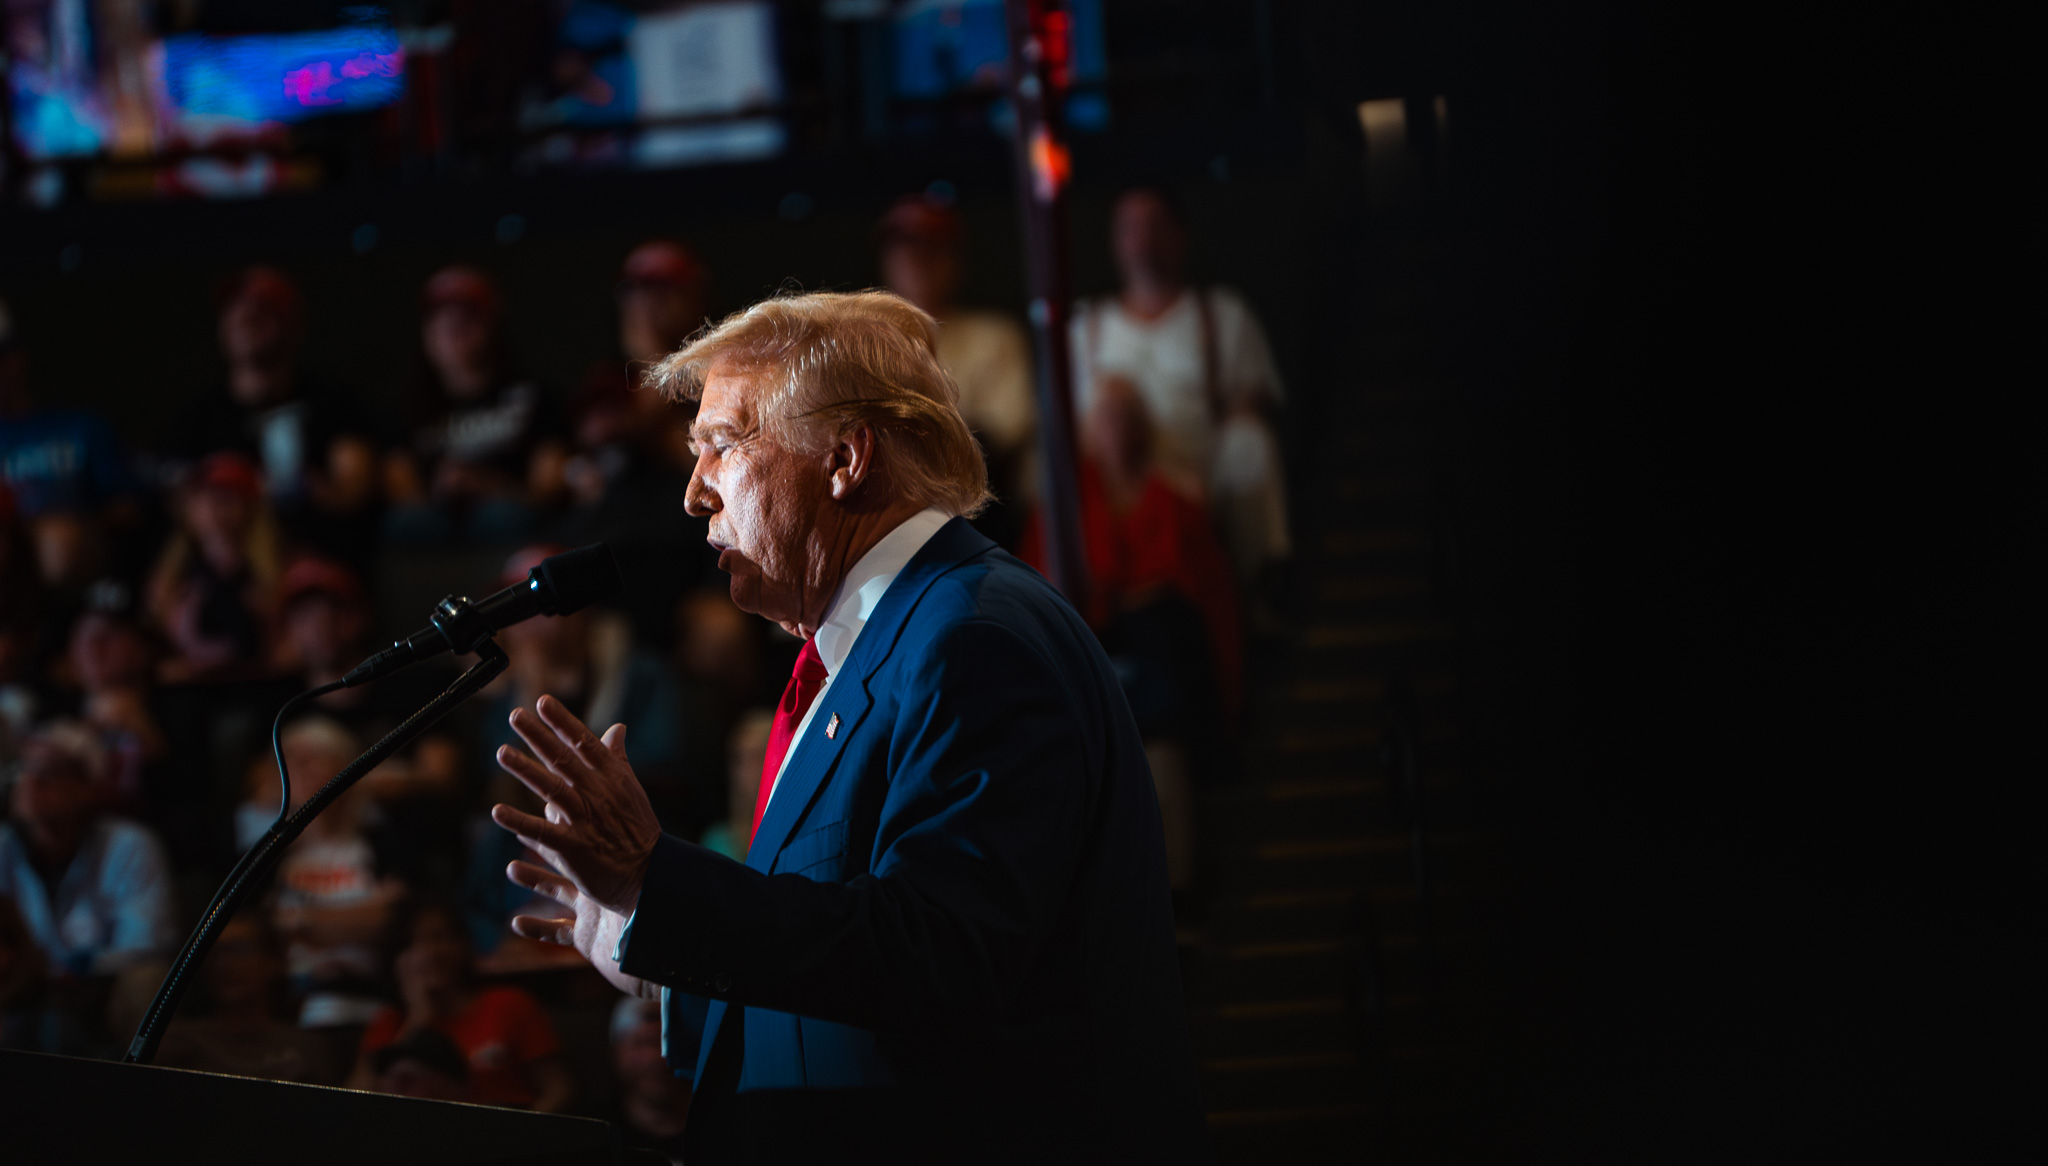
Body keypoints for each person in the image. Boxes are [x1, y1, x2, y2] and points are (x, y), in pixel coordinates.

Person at [485, 291, 1204, 1160]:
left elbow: (942, 956)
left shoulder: (970, 638)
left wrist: (661, 884)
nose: (692, 494)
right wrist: (655, 955)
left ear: (844, 458)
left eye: (720, 445)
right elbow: (852, 980)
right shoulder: (864, 653)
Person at [1020, 377, 1244, 894]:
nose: (1117, 425)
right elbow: (1039, 593)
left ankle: (1181, 893)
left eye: (1127, 413)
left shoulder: (1177, 503)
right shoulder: (1061, 508)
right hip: (1088, 662)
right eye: (1107, 414)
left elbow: (1206, 595)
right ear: (1089, 428)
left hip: (1162, 677)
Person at [1070, 184, 1291, 587]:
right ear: (1115, 241)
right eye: (1131, 228)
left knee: (1251, 443)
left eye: (1156, 226)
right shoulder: (1086, 326)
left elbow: (1252, 402)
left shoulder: (1223, 313)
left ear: (1180, 235)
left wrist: (1182, 472)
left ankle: (1262, 584)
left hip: (1198, 466)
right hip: (1116, 474)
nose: (1143, 241)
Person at [162, 268, 383, 563]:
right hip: (227, 567)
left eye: (263, 308)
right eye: (235, 309)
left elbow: (353, 488)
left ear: (293, 324)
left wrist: (309, 490)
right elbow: (177, 499)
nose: (246, 317)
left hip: (316, 564)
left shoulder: (331, 404)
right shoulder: (198, 416)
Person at [876, 195, 1036, 540]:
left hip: (976, 512)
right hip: (883, 513)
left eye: (931, 249)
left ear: (955, 260)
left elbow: (1001, 436)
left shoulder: (994, 335)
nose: (917, 260)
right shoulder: (863, 342)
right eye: (905, 247)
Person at [385, 266, 563, 547]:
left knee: (503, 517)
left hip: (509, 524)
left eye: (467, 313)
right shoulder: (407, 408)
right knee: (414, 525)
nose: (452, 324)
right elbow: (403, 494)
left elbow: (547, 493)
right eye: (439, 315)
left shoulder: (534, 399)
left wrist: (485, 485)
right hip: (436, 532)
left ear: (493, 323)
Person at [242, 717, 402, 1029]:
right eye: (294, 762)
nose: (302, 770)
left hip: (373, 994)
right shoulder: (269, 854)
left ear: (348, 768)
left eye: (314, 758)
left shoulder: (382, 842)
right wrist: (358, 917)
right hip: (295, 1002)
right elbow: (265, 929)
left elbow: (389, 920)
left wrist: (300, 919)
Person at [349, 901, 575, 1112]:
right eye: (413, 943)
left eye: (440, 938)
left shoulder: (508, 1004)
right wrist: (418, 1020)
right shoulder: (388, 1023)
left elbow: (560, 1090)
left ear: (463, 944)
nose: (429, 953)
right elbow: (357, 1105)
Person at [0, 722, 175, 986]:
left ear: (88, 786)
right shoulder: (4, 847)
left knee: (146, 979)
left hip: (102, 989)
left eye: (48, 773)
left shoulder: (128, 845)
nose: (30, 783)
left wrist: (82, 966)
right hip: (23, 992)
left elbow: (146, 943)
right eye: (23, 771)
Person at [154, 913, 339, 1084]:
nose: (225, 963)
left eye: (240, 949)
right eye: (215, 952)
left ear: (274, 961)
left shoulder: (309, 1047)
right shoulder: (176, 1042)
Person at [145, 451, 281, 683]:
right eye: (206, 495)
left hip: (258, 686)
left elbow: (287, 650)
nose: (215, 506)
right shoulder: (172, 575)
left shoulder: (275, 571)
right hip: (195, 691)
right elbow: (162, 651)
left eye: (228, 496)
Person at [607, 995, 690, 1162]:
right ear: (617, 1053)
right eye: (644, 1042)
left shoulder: (725, 1129)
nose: (658, 1057)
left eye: (669, 1043)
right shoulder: (599, 1139)